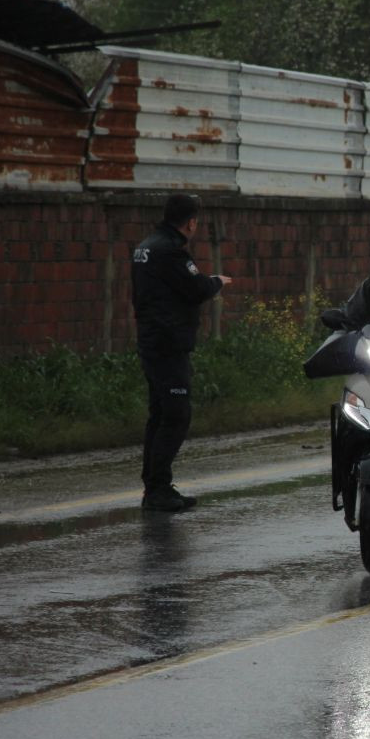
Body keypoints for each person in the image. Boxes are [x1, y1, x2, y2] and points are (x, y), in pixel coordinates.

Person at [132, 194, 231, 512]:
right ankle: (158, 488)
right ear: (191, 222)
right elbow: (195, 288)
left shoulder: (146, 247)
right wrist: (215, 282)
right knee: (176, 415)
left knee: (160, 414)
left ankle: (153, 487)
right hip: (168, 344)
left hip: (152, 341)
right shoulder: (170, 251)